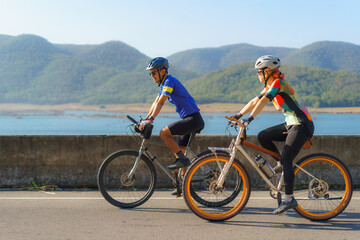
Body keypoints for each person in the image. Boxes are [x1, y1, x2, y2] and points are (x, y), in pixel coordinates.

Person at [232, 55, 314, 214]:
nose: (257, 74)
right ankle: (282, 165)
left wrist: (249, 119)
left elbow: (263, 102)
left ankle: (289, 199)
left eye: (259, 71)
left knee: (287, 158)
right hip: (291, 124)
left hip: (302, 124)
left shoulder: (278, 83)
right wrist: (238, 114)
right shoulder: (270, 85)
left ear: (268, 71)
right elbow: (255, 101)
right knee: (263, 136)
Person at [140, 57, 205, 172]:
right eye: (150, 73)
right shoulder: (164, 84)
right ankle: (183, 185)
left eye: (154, 72)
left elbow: (161, 102)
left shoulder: (170, 81)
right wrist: (146, 119)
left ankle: (183, 161)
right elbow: (155, 102)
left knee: (164, 133)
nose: (152, 75)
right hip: (190, 119)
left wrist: (150, 119)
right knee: (180, 151)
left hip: (193, 119)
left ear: (163, 71)